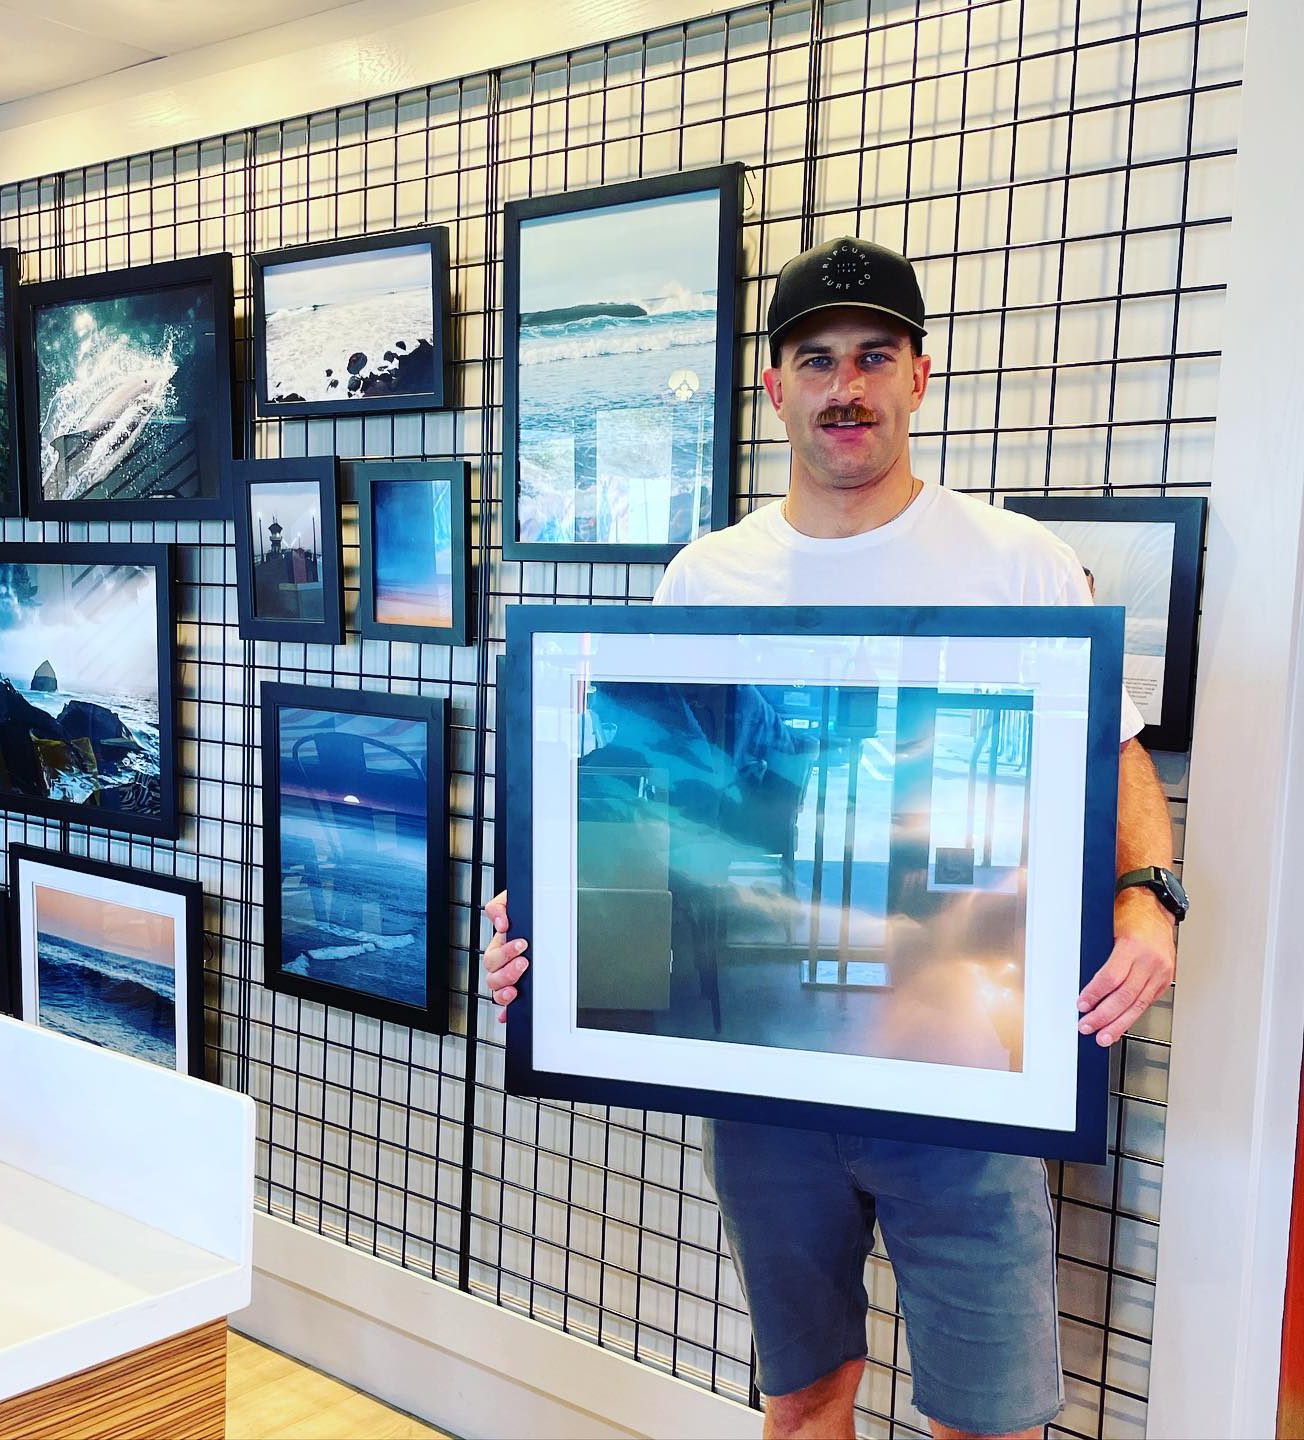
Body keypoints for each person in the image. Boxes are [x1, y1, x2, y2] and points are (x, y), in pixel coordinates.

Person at [483, 236, 1182, 1440]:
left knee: (990, 1421)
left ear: (920, 376)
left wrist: (1148, 898)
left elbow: (1111, 758)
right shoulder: (707, 578)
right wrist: (553, 913)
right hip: (771, 1072)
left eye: (873, 357)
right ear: (775, 387)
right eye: (816, 360)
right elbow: (646, 800)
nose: (844, 387)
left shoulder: (1018, 563)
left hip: (968, 1061)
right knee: (804, 1397)